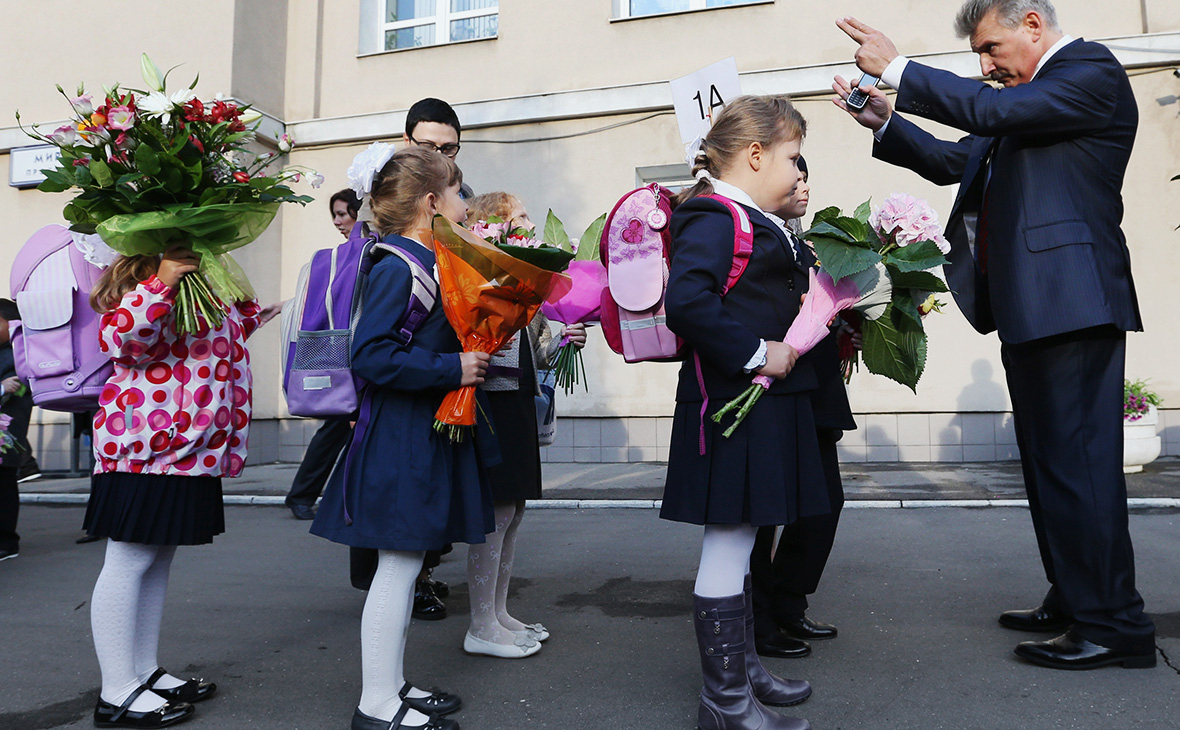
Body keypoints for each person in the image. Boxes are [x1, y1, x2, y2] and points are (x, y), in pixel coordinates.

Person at [833, 0, 1154, 670]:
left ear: (1032, 24)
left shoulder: (1089, 71)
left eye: (990, 49)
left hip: (1072, 302)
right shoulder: (1030, 97)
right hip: (1035, 304)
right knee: (1049, 468)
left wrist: (897, 66)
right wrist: (886, 120)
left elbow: (987, 115)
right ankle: (1075, 596)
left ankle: (1114, 626)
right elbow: (960, 161)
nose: (985, 67)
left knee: (1079, 470)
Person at [311, 145, 492, 730]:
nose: (467, 204)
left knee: (407, 563)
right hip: (402, 434)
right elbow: (371, 354)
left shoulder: (423, 259)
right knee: (397, 565)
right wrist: (451, 369)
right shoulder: (400, 265)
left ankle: (390, 686)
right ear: (431, 203)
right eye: (460, 193)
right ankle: (377, 705)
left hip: (419, 430)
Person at [663, 95, 822, 730]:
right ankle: (724, 704)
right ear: (756, 154)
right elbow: (688, 303)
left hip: (757, 403)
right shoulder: (716, 215)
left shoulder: (751, 214)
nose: (797, 167)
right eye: (791, 156)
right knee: (729, 543)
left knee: (746, 537)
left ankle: (744, 673)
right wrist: (758, 351)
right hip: (733, 403)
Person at [84, 247, 279, 728]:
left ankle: (142, 672)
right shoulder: (148, 288)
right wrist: (161, 283)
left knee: (154, 558)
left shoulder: (191, 290)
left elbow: (195, 351)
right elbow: (123, 337)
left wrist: (250, 319)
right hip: (145, 449)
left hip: (183, 449)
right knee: (129, 560)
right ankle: (116, 691)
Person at [462, 192, 587, 658]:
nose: (530, 226)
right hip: (492, 406)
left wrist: (566, 342)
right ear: (493, 227)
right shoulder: (480, 280)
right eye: (521, 219)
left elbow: (535, 357)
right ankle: (480, 623)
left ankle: (497, 612)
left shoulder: (520, 283)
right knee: (496, 514)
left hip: (516, 403)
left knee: (513, 512)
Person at [751, 159, 857, 660]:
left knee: (822, 503)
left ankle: (789, 601)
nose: (802, 185)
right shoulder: (753, 234)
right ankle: (759, 618)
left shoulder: (814, 245)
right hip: (772, 385)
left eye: (807, 175)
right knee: (764, 510)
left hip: (816, 389)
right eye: (794, 173)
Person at [285, 189, 363, 521]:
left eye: (343, 213)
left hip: (349, 357)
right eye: (335, 214)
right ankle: (303, 495)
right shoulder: (341, 257)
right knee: (336, 427)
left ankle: (311, 496)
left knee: (340, 430)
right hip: (344, 358)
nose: (337, 221)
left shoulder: (361, 252)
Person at [0, 298, 32, 562]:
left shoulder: (19, 353)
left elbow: (16, 390)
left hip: (7, 434)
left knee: (4, 484)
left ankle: (7, 541)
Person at [403, 98, 474, 199]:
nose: (439, 157)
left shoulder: (464, 193)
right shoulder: (389, 193)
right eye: (428, 147)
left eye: (448, 148)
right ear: (407, 141)